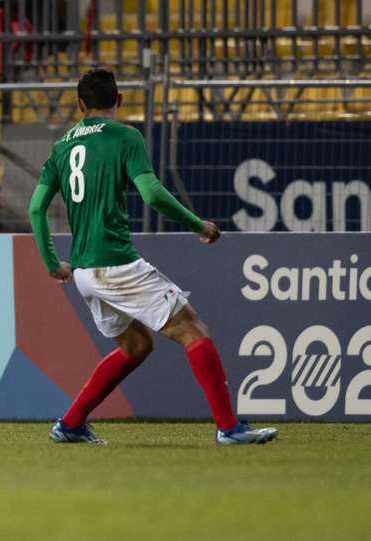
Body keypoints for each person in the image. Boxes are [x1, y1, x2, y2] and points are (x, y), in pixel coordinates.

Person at [29, 68, 278, 446]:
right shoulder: (126, 136)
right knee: (192, 329)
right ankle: (229, 427)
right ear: (120, 100)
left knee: (137, 346)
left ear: (80, 105)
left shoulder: (61, 147)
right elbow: (152, 193)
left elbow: (36, 208)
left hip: (83, 271)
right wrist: (197, 224)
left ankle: (71, 422)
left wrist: (51, 263)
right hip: (116, 264)